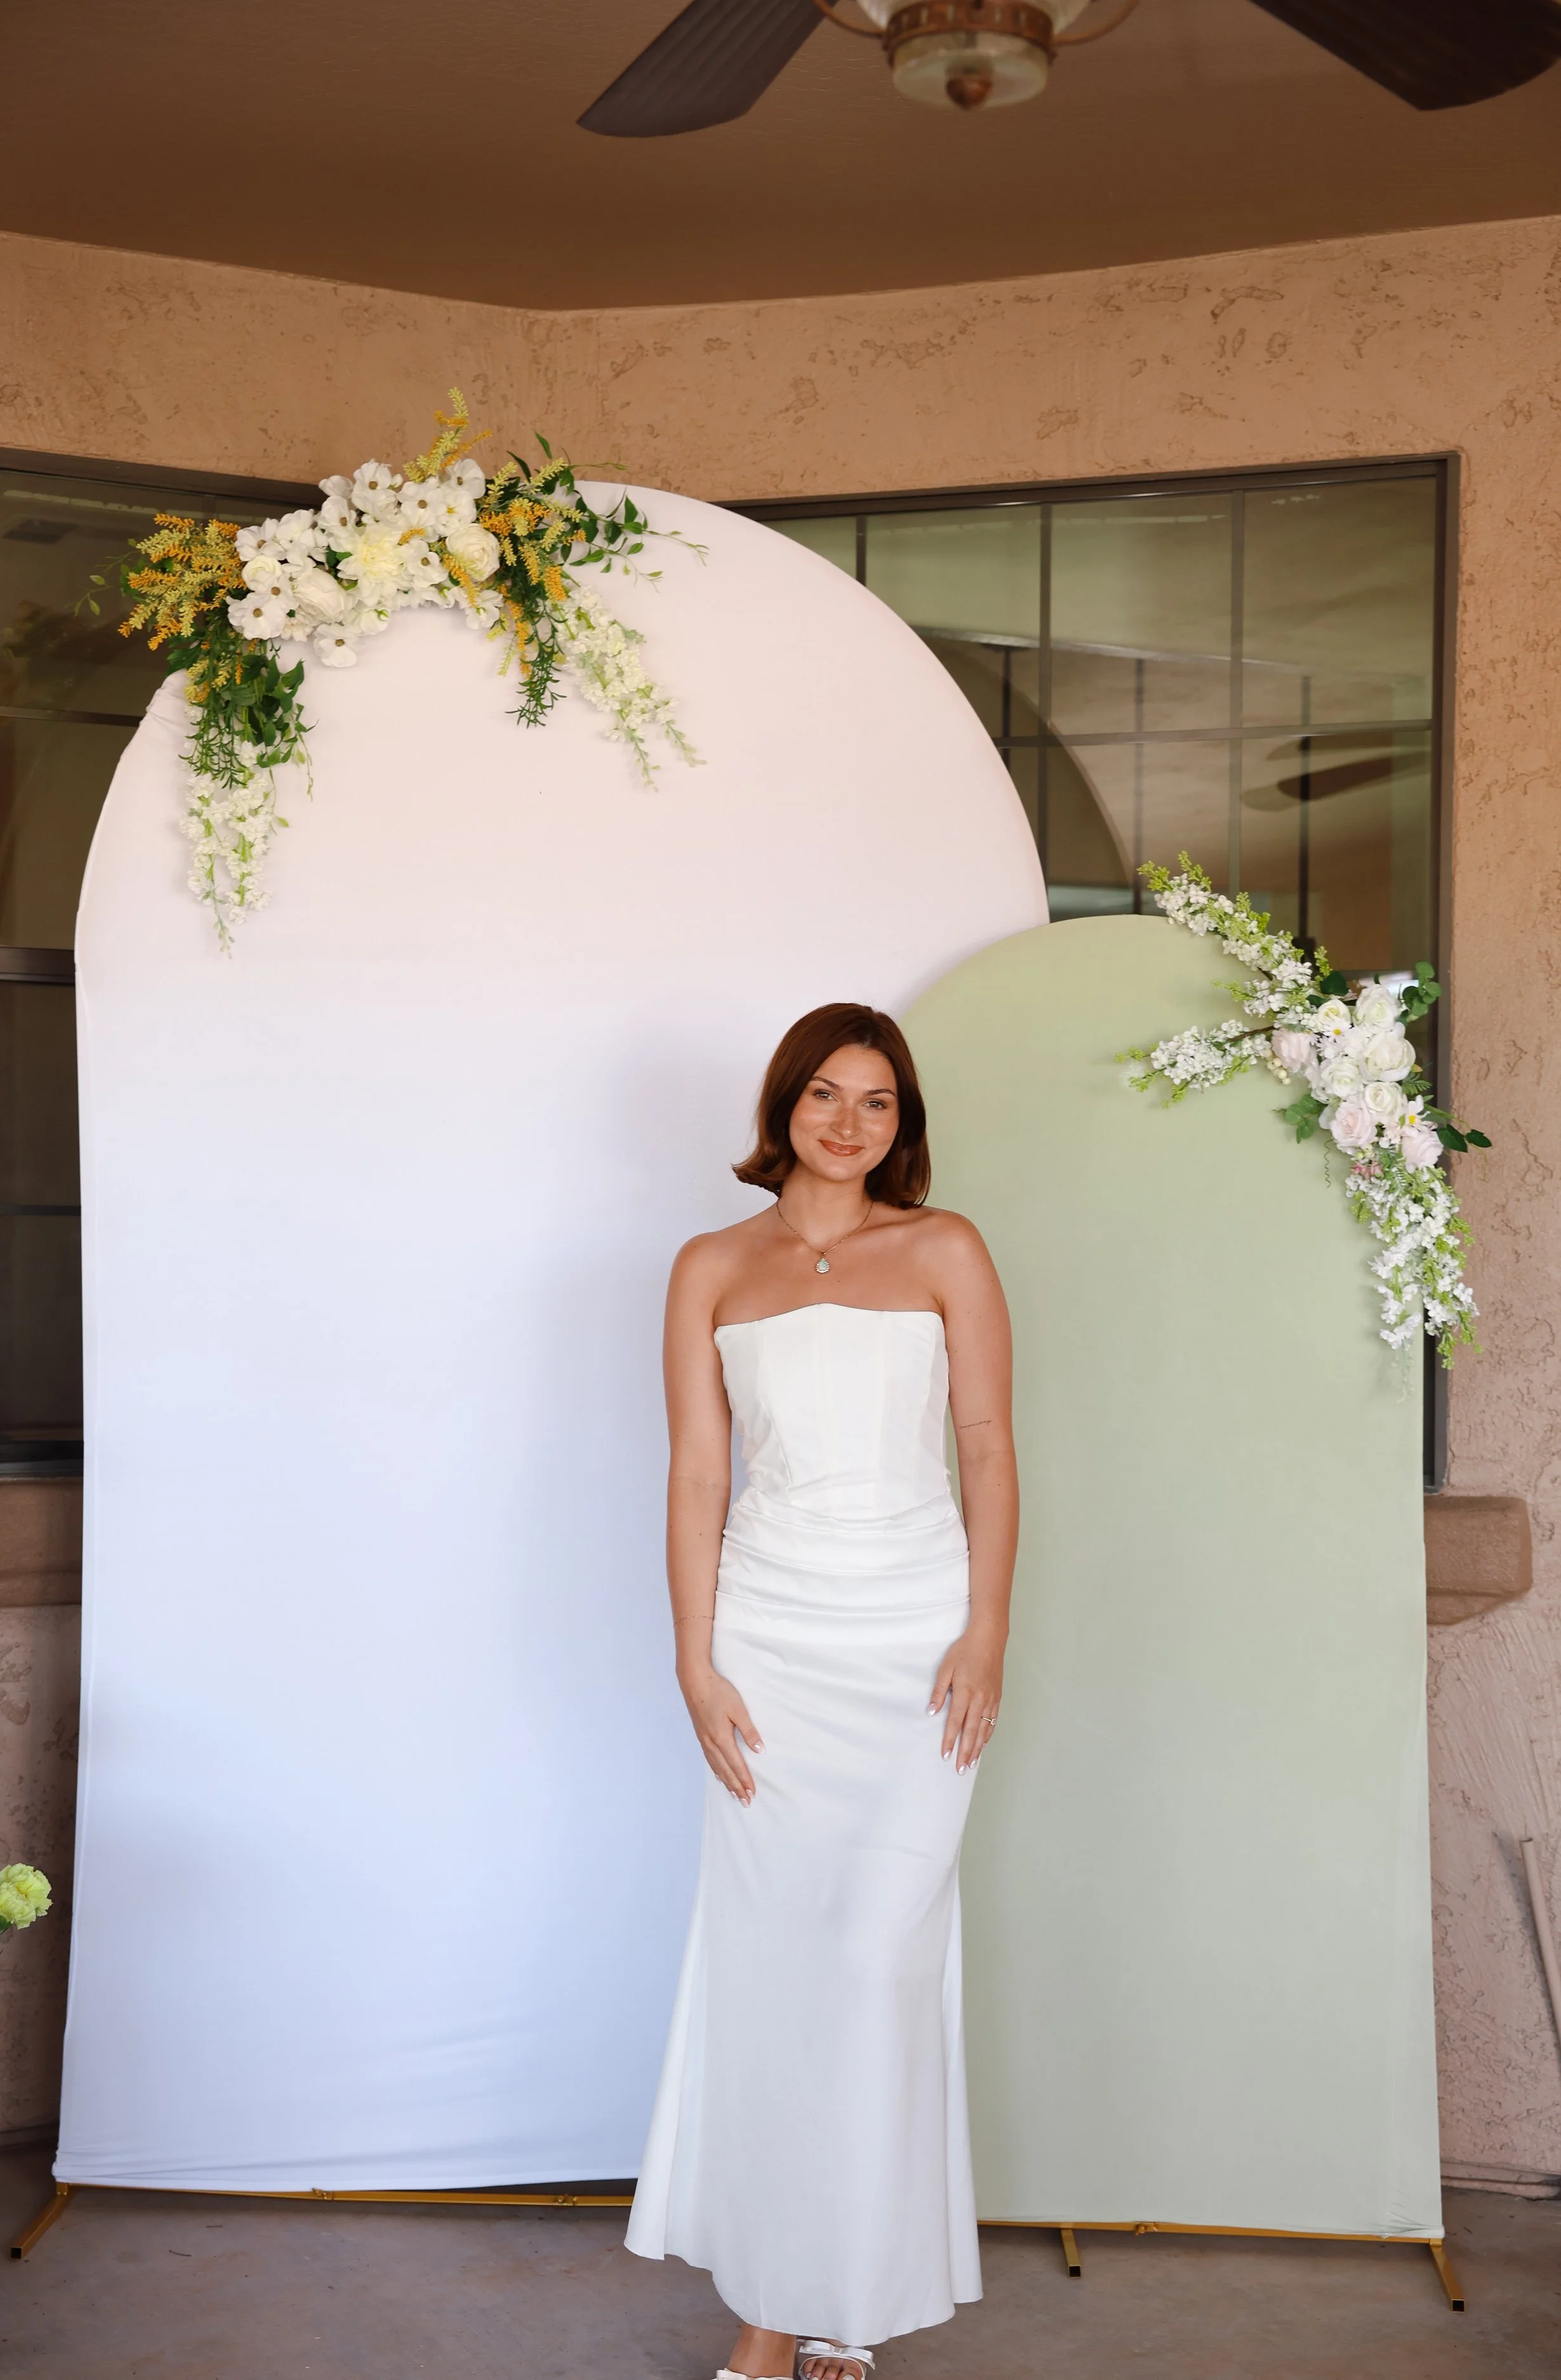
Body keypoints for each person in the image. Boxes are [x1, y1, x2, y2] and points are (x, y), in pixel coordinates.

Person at [626, 1002, 1018, 2380]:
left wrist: (986, 1631)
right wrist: (695, 1657)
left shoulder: (946, 1249)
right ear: (783, 1105)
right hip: (771, 1646)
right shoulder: (710, 1266)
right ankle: (778, 2310)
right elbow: (696, 1473)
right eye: (825, 1096)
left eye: (877, 1102)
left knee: (875, 1964)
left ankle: (843, 2292)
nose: (848, 1124)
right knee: (779, 1969)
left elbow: (987, 1445)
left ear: (902, 1123)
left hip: (916, 1642)